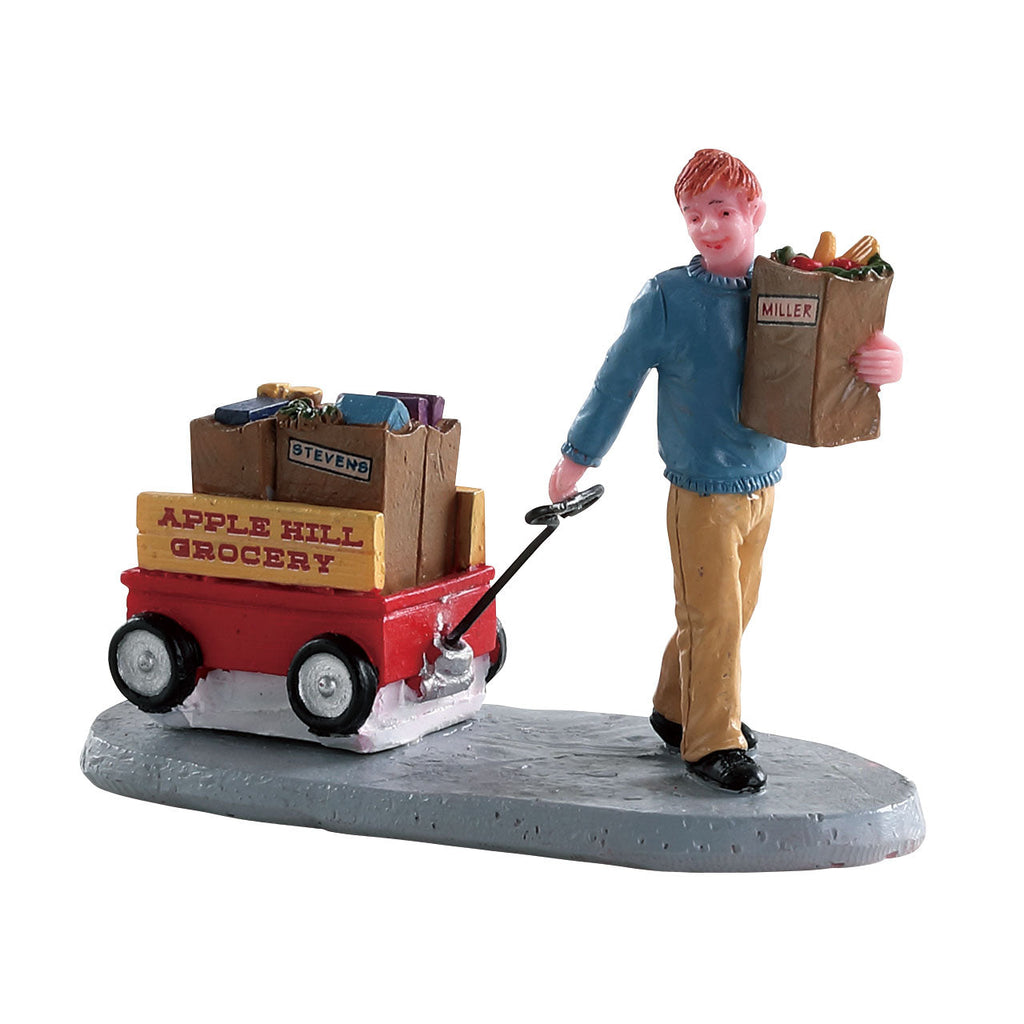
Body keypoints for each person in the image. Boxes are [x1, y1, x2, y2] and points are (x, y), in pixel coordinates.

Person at [548, 149, 902, 793]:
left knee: (731, 612)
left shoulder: (789, 288)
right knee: (714, 617)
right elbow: (616, 379)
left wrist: (881, 358)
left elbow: (836, 346)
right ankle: (712, 740)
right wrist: (578, 455)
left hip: (764, 479)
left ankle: (677, 707)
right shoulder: (668, 298)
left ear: (755, 213)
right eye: (693, 215)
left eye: (723, 211)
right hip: (702, 491)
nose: (707, 227)